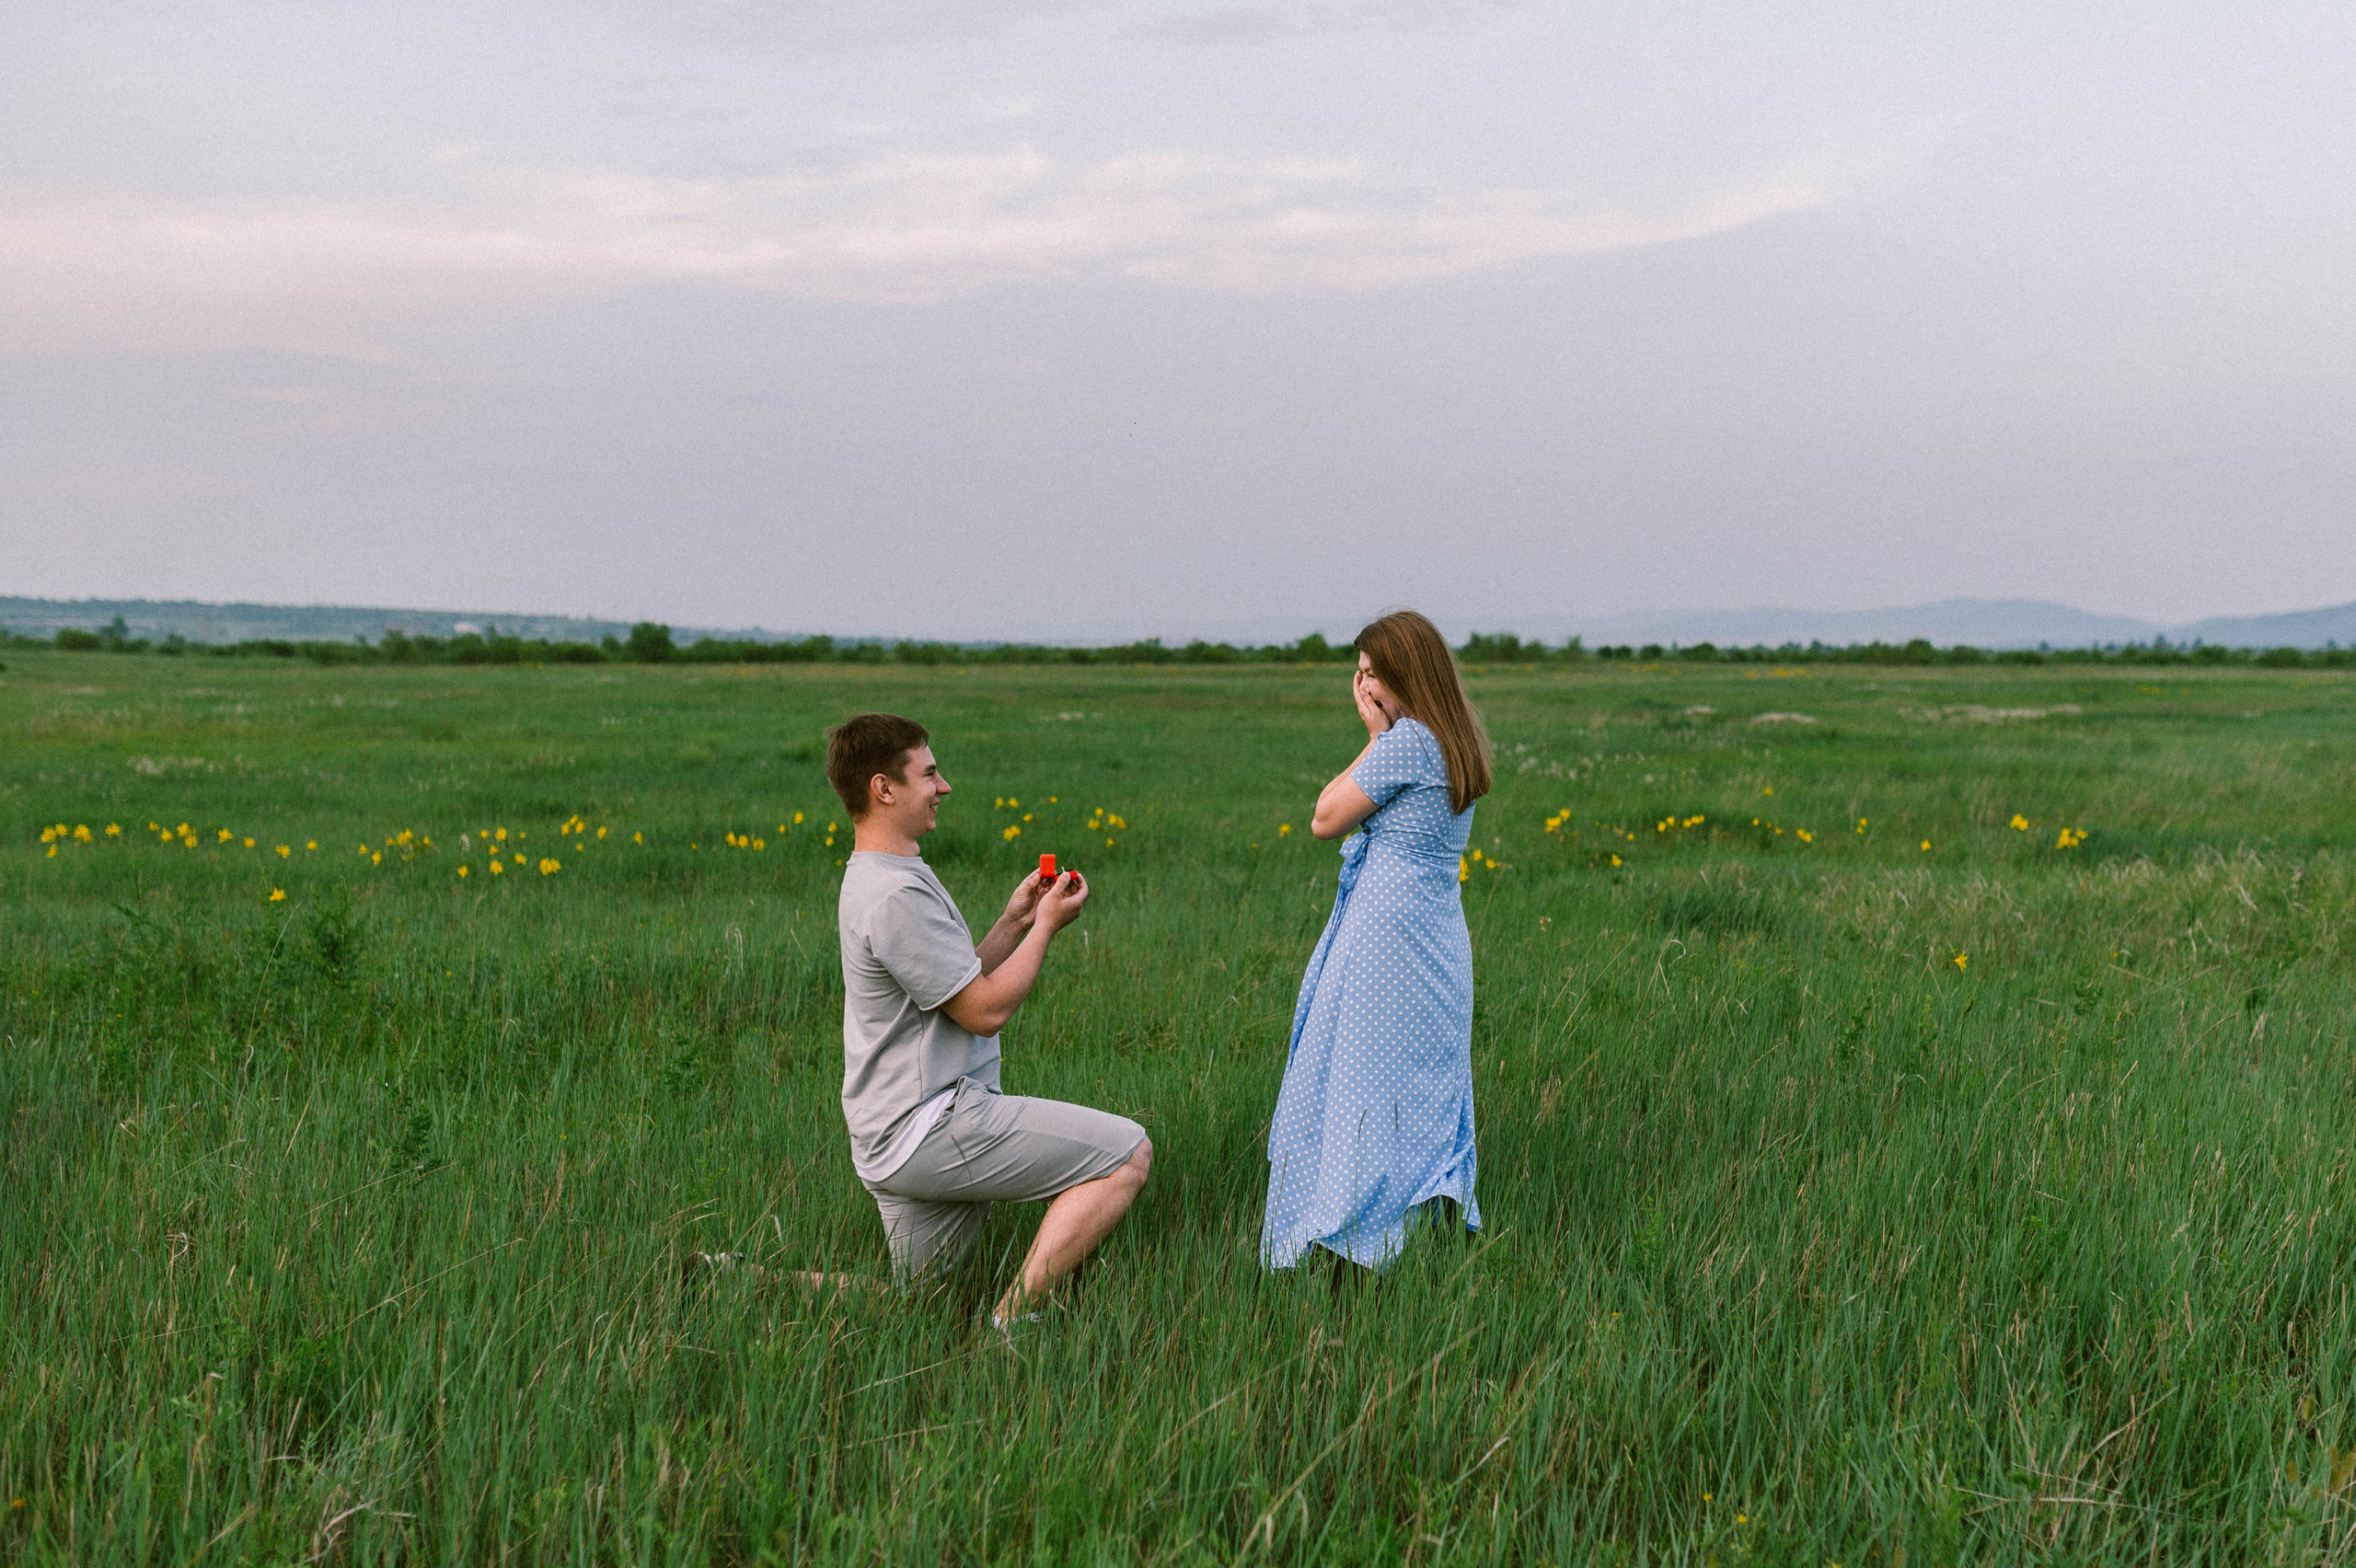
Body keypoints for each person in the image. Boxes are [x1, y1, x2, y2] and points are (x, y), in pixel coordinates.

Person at [828, 711, 1150, 1332]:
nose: (942, 786)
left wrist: (1015, 922)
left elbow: (954, 984)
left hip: (891, 1133)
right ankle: (1013, 1323)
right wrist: (1050, 929)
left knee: (919, 1306)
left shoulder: (885, 875)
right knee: (1127, 1156)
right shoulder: (893, 895)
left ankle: (733, 1276)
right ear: (883, 788)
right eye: (929, 772)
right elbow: (984, 1009)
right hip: (930, 1124)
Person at [1261, 609, 1491, 1275]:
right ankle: (1416, 1230)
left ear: (1403, 676)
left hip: (1386, 945)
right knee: (1417, 1089)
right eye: (1358, 675)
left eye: (1370, 675)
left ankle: (1353, 1241)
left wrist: (1372, 735)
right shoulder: (1455, 739)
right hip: (1435, 939)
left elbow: (1324, 817)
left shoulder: (1408, 741)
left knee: (1356, 1087)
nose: (1361, 689)